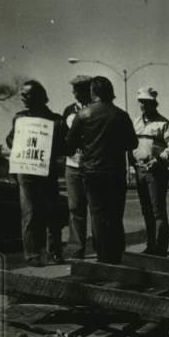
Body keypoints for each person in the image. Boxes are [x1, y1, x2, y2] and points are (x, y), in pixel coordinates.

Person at [65, 76, 137, 264]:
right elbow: (133, 143)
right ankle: (116, 255)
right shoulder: (122, 115)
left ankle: (103, 257)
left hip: (92, 172)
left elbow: (69, 146)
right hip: (115, 172)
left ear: (92, 92)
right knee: (115, 215)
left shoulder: (83, 115)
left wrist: (86, 144)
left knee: (98, 215)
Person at [6, 80, 65, 265]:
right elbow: (10, 140)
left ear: (40, 97)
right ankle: (32, 255)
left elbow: (67, 145)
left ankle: (54, 253)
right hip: (26, 172)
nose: (23, 97)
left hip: (47, 171)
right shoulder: (19, 118)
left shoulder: (56, 120)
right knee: (30, 213)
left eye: (27, 94)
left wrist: (51, 146)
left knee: (52, 214)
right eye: (22, 94)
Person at [132, 86, 169, 256]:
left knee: (157, 211)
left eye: (147, 102)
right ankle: (151, 244)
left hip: (157, 172)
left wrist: (159, 159)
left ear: (154, 103)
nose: (143, 106)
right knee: (146, 210)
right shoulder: (136, 122)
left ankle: (160, 249)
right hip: (139, 170)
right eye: (141, 102)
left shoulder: (164, 124)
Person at [61, 74, 93, 258]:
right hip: (72, 166)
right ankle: (76, 248)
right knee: (75, 208)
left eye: (78, 89)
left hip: (93, 166)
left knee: (96, 208)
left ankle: (101, 246)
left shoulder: (96, 109)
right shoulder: (68, 111)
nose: (74, 93)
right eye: (73, 89)